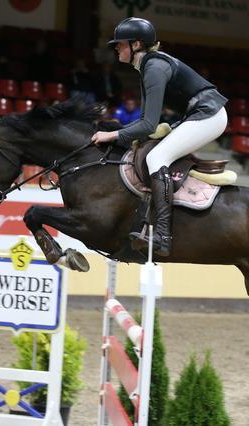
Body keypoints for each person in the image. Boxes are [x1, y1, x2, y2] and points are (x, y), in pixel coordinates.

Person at [91, 17, 228, 256]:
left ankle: (163, 234)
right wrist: (121, 134)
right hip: (198, 114)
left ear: (136, 44)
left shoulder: (153, 68)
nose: (116, 48)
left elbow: (147, 124)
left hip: (209, 115)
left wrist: (111, 134)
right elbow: (147, 122)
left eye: (120, 43)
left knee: (157, 158)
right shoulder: (147, 66)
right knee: (152, 150)